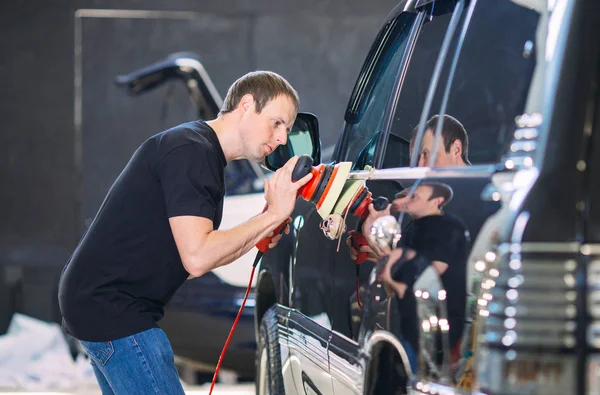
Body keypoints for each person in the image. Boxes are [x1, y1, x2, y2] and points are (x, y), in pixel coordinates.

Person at [58, 71, 313, 394]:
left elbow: (190, 260)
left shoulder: (202, 153)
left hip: (96, 302)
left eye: (287, 131)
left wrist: (256, 235)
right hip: (113, 307)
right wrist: (274, 213)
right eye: (277, 123)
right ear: (247, 105)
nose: (280, 139)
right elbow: (197, 258)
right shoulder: (191, 151)